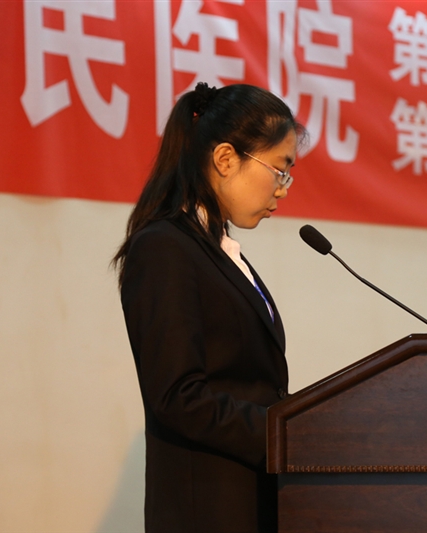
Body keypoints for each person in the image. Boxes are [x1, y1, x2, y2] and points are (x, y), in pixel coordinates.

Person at [112, 82, 306, 533]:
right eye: (280, 170)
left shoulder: (219, 250)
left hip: (253, 502)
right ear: (225, 159)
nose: (282, 190)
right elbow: (178, 397)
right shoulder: (164, 248)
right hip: (207, 512)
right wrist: (285, 432)